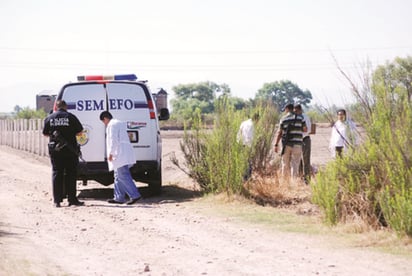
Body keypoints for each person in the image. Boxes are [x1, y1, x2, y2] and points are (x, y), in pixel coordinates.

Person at [42, 100, 84, 208]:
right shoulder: (71, 117)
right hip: (70, 151)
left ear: (56, 106)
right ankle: (72, 200)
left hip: (56, 151)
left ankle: (57, 201)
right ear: (66, 107)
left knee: (57, 173)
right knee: (71, 174)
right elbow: (80, 132)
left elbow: (45, 133)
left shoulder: (50, 118)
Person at [99, 111, 142, 205]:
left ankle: (135, 195)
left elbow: (113, 139)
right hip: (123, 152)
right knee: (118, 176)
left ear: (105, 119)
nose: (104, 124)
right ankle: (119, 197)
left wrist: (111, 153)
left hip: (119, 153)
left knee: (123, 175)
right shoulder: (119, 122)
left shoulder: (111, 125)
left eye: (103, 122)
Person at [274, 103, 307, 179]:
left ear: (287, 109)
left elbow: (280, 132)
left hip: (286, 144)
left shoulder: (283, 119)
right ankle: (294, 183)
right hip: (297, 144)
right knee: (295, 164)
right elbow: (305, 129)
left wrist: (276, 144)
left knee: (285, 164)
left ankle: (284, 183)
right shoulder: (300, 118)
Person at [237, 112, 259, 180]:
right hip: (247, 145)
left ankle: (244, 177)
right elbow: (250, 137)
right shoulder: (252, 125)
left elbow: (238, 134)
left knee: (244, 161)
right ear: (256, 119)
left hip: (241, 144)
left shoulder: (244, 123)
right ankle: (247, 178)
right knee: (248, 162)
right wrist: (252, 148)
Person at [294, 104, 312, 183]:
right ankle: (300, 176)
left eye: (296, 111)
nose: (295, 112)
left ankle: (307, 179)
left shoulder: (305, 117)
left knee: (306, 160)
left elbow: (307, 130)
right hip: (297, 140)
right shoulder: (295, 118)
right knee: (298, 160)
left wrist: (298, 129)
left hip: (305, 140)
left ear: (300, 110)